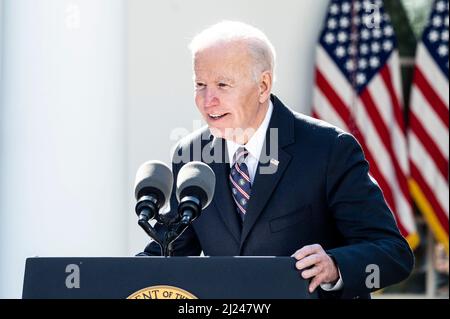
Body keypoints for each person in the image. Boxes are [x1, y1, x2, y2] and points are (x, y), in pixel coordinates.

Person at [139, 21, 414, 299]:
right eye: (200, 84)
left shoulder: (330, 149)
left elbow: (394, 255)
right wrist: (117, 277)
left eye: (223, 85)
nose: (208, 100)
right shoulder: (191, 155)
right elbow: (173, 248)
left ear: (263, 86)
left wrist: (334, 266)